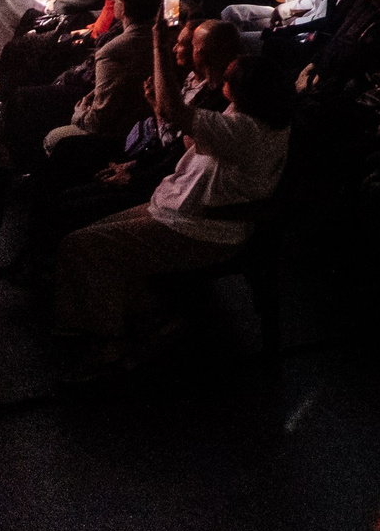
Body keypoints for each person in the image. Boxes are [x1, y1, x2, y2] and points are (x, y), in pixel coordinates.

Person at [52, 48, 293, 380]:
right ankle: (149, 316)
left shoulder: (244, 130)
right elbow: (187, 137)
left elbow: (175, 111)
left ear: (239, 91)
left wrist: (157, 43)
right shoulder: (259, 120)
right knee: (86, 240)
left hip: (199, 230)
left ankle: (110, 343)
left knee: (81, 246)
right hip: (182, 211)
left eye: (227, 79)